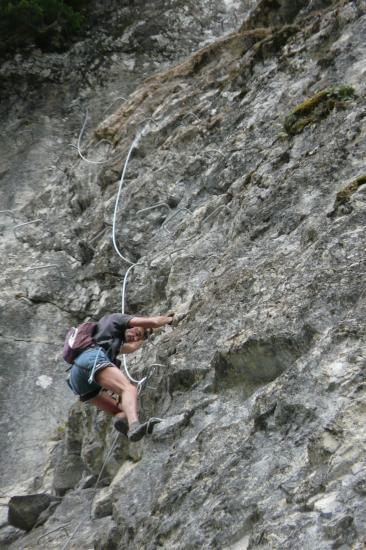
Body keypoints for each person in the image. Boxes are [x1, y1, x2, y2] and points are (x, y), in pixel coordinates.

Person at [66, 312, 174, 441]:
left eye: (137, 337)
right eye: (136, 333)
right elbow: (154, 322)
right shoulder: (117, 319)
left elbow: (133, 347)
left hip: (76, 378)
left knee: (120, 412)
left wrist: (150, 332)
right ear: (132, 324)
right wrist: (170, 319)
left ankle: (125, 423)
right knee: (128, 389)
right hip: (90, 359)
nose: (134, 337)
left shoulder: (109, 338)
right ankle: (134, 426)